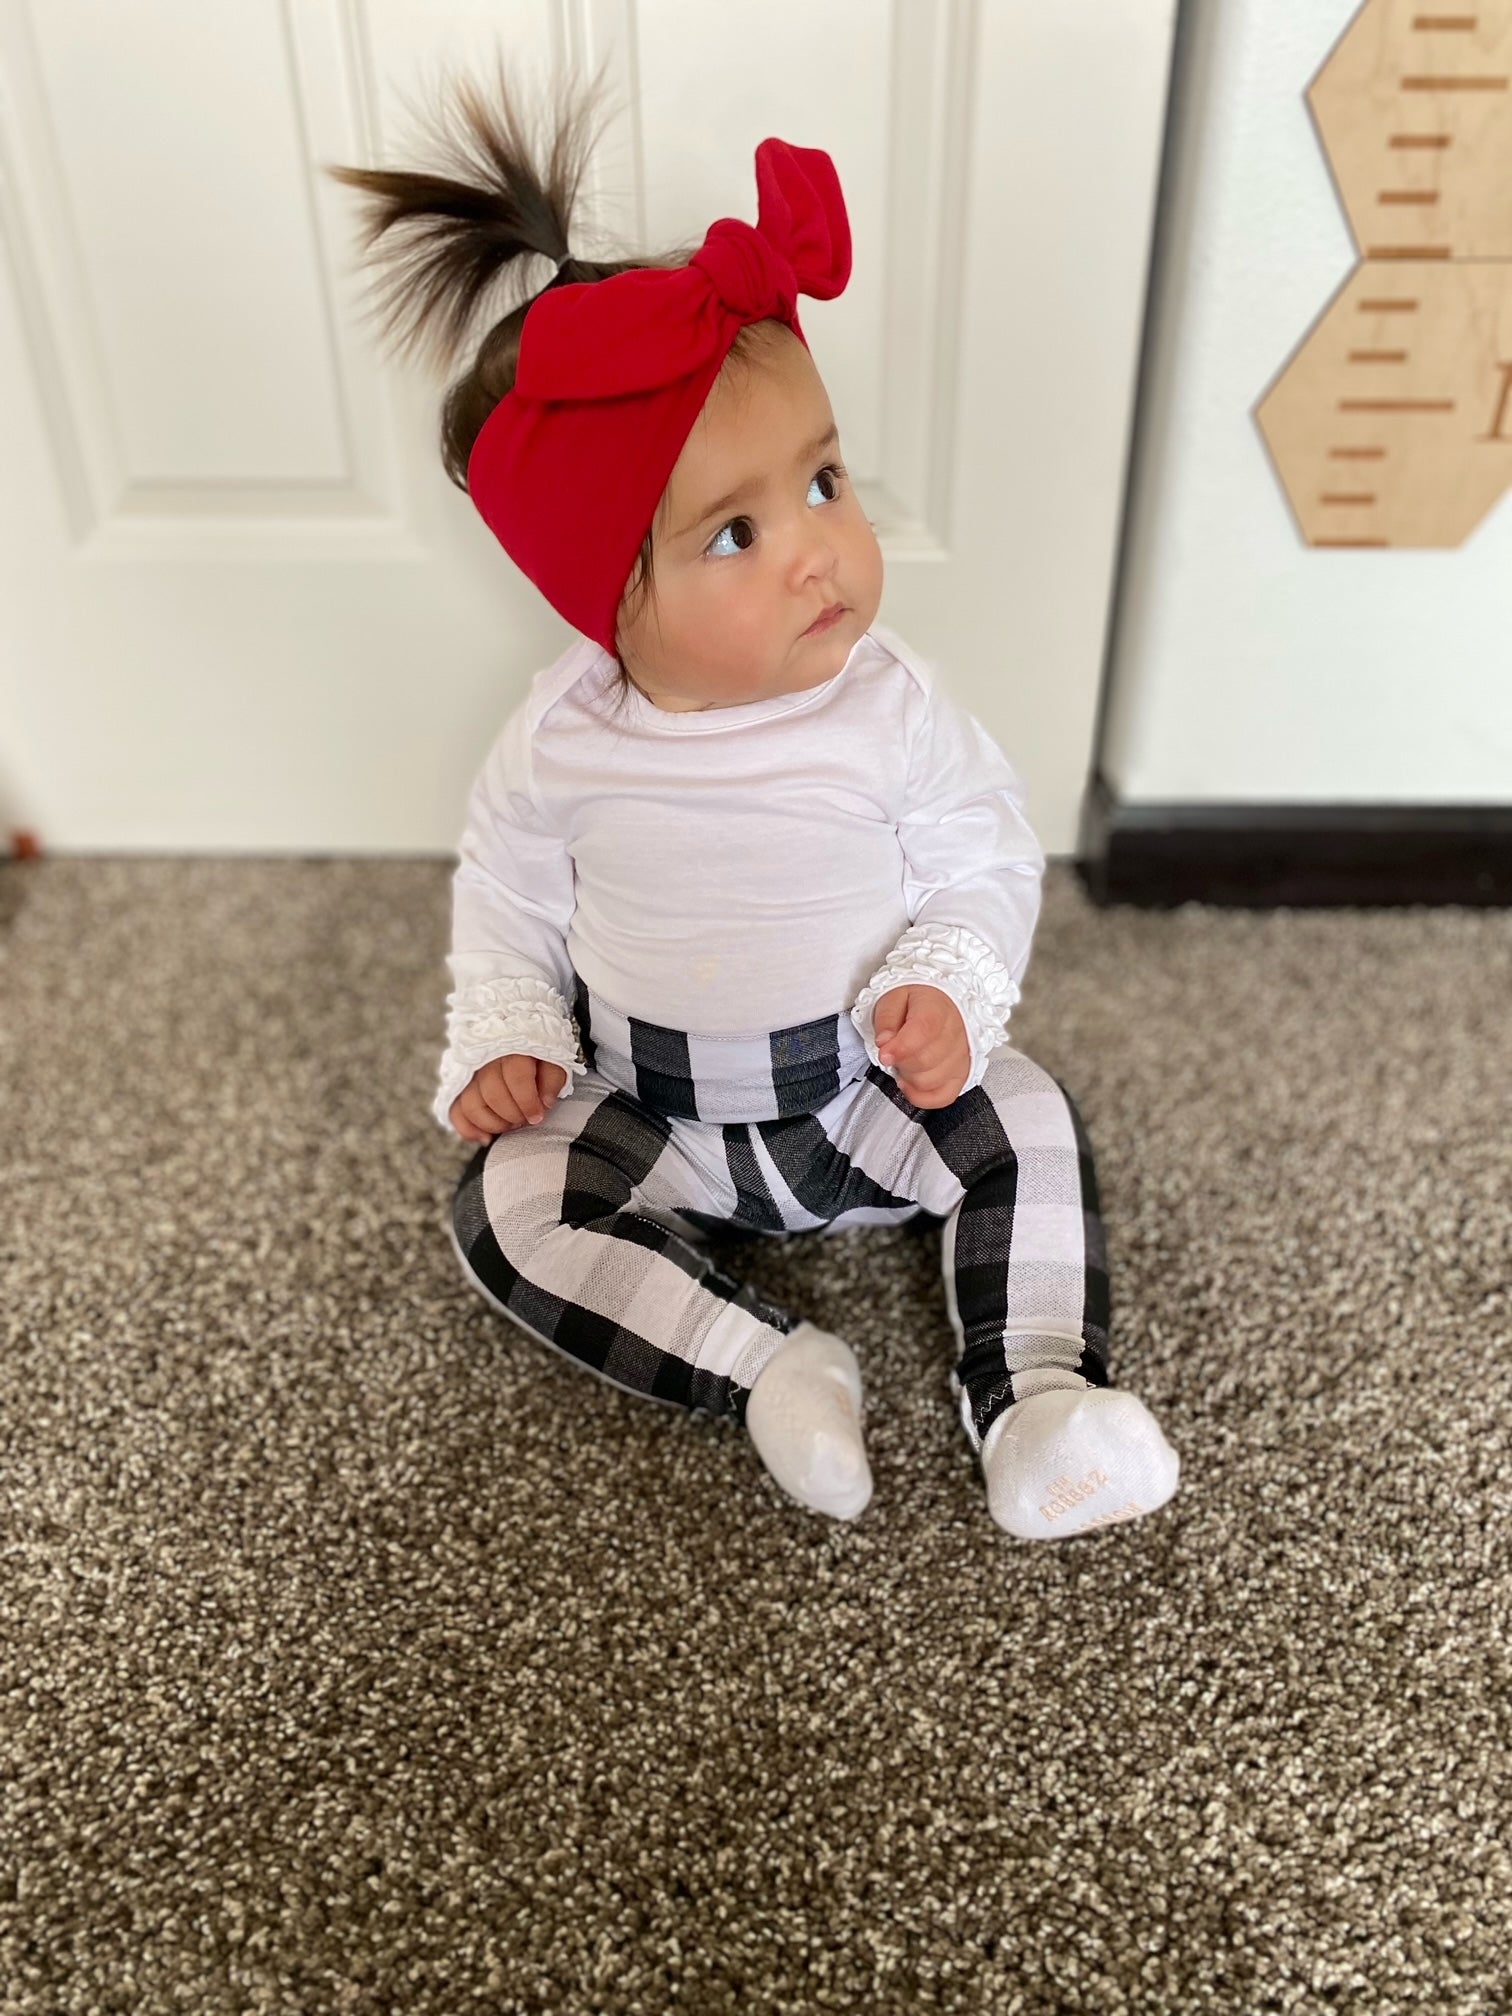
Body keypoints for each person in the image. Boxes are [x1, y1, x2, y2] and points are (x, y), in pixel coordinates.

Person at [327, 62, 1180, 1536]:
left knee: (1029, 1116)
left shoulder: (891, 709)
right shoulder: (563, 743)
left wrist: (946, 982)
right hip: (654, 1115)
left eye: (827, 480)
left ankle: (1038, 1394)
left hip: (861, 1095)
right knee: (503, 1205)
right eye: (736, 528)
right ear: (606, 595)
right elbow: (509, 892)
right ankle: (764, 1362)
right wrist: (512, 1033)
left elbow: (985, 850)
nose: (818, 549)